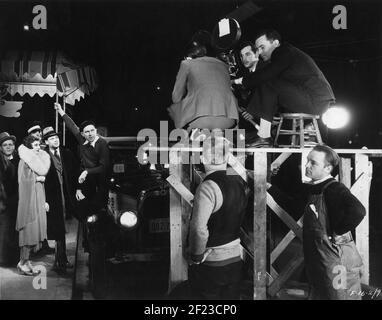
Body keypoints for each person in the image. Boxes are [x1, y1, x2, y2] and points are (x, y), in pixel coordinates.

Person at [269, 144, 365, 299]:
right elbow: (293, 206)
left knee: (339, 296)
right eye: (307, 161)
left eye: (313, 163)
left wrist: (337, 232)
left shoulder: (334, 189)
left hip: (337, 261)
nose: (307, 165)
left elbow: (358, 211)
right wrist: (269, 187)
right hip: (320, 259)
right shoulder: (313, 188)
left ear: (328, 168)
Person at [233, 29, 335, 147]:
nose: (260, 52)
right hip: (312, 98)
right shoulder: (285, 56)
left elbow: (268, 74)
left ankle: (264, 136)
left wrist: (237, 81)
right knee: (269, 81)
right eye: (258, 49)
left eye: (262, 47)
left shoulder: (283, 51)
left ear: (275, 43)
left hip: (315, 100)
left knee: (268, 80)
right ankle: (264, 136)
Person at [188, 135, 249, 299]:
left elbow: (199, 229)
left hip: (213, 261)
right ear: (227, 157)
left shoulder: (208, 186)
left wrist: (196, 256)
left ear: (202, 157)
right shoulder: (239, 180)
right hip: (236, 259)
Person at [54, 102, 110, 251]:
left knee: (97, 214)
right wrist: (61, 112)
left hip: (100, 184)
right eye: (87, 132)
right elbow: (72, 127)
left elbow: (104, 167)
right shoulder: (83, 141)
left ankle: (98, 245)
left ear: (96, 131)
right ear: (83, 134)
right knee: (82, 212)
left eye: (92, 130)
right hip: (85, 183)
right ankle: (87, 241)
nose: (90, 134)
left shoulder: (102, 144)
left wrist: (87, 172)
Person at [168, 33, 239, 133]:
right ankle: (218, 137)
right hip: (229, 120)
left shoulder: (186, 64)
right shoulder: (224, 66)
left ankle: (194, 138)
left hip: (201, 121)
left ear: (190, 55)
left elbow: (176, 97)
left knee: (175, 112)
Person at [43, 126, 78, 274]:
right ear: (46, 141)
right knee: (57, 226)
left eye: (56, 137)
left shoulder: (67, 153)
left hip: (66, 194)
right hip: (51, 196)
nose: (55, 140)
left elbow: (75, 171)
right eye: (51, 138)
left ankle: (61, 259)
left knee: (62, 225)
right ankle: (60, 259)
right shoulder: (43, 156)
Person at [16, 135, 51, 275]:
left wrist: (44, 200)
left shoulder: (38, 159)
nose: (38, 147)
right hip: (29, 200)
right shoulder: (25, 161)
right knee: (29, 230)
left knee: (36, 231)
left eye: (38, 144)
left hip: (38, 197)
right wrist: (38, 178)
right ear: (29, 147)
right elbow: (22, 181)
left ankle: (26, 260)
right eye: (35, 145)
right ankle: (22, 262)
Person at [0, 132, 19, 266]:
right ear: (1, 148)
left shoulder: (19, 160)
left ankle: (14, 257)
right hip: (4, 200)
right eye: (5, 145)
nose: (8, 147)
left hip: (17, 199)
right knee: (5, 229)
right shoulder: (1, 162)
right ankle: (5, 259)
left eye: (10, 144)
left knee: (14, 229)